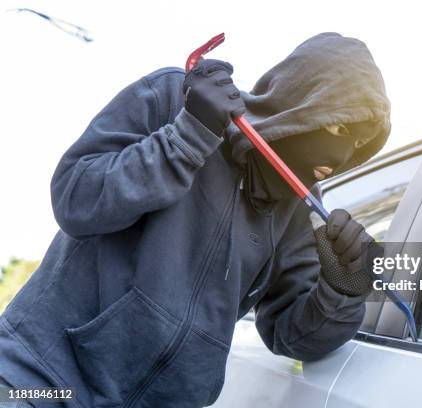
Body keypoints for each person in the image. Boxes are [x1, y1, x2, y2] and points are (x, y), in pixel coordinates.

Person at [0, 32, 390, 407]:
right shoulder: (176, 98)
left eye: (357, 143)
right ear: (297, 101)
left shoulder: (301, 210)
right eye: (339, 127)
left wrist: (343, 290)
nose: (340, 155)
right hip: (43, 380)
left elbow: (291, 336)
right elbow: (75, 198)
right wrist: (189, 135)